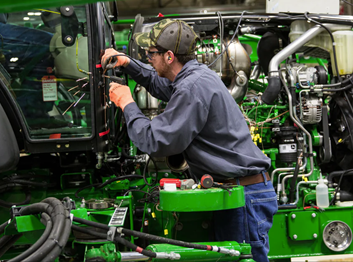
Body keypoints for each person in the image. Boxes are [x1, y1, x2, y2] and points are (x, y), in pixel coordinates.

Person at [102, 19, 277, 262]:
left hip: (244, 196)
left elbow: (155, 140)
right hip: (239, 191)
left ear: (170, 56)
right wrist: (128, 63)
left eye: (151, 53)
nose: (147, 57)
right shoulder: (192, 76)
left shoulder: (191, 87)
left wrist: (127, 103)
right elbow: (157, 82)